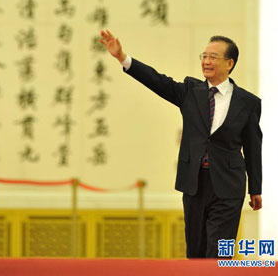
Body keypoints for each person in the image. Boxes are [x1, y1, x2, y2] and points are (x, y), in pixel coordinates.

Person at [99, 29, 262, 258]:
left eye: (213, 57)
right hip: (194, 183)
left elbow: (253, 147)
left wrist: (256, 188)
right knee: (195, 253)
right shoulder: (189, 91)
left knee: (218, 253)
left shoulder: (248, 103)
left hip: (229, 185)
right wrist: (122, 57)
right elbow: (157, 81)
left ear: (229, 63)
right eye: (204, 56)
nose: (206, 61)